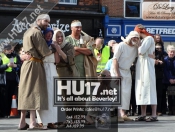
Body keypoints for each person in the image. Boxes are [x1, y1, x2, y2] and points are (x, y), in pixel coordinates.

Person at [18, 14, 55, 130]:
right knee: (35, 92)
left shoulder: (27, 32)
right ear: (38, 20)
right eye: (45, 21)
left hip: (27, 64)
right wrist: (54, 48)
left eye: (48, 22)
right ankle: (32, 122)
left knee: (26, 92)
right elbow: (45, 51)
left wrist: (22, 55)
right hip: (35, 64)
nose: (47, 24)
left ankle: (24, 121)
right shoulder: (37, 33)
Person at [110, 31, 140, 122]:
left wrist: (139, 46)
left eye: (137, 37)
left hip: (127, 71)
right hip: (117, 70)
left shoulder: (135, 48)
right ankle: (118, 115)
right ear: (130, 37)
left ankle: (123, 114)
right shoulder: (121, 45)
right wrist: (118, 74)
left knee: (126, 93)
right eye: (134, 37)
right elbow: (115, 60)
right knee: (118, 93)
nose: (135, 39)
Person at [53, 29, 80, 124]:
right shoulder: (52, 46)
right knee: (61, 97)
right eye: (57, 36)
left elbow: (68, 60)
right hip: (58, 72)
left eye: (61, 36)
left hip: (70, 72)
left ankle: (74, 118)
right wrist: (55, 49)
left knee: (71, 96)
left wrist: (59, 50)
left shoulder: (68, 46)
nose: (60, 38)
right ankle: (63, 118)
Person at [36, 27, 60, 129]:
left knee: (52, 95)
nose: (49, 35)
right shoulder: (40, 44)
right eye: (47, 33)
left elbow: (57, 61)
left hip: (52, 70)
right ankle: (41, 121)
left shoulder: (53, 45)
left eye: (51, 33)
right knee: (42, 95)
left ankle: (51, 121)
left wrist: (57, 49)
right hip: (42, 69)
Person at [134, 24, 158, 122]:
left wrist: (139, 46)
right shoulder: (144, 40)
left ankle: (154, 114)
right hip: (142, 64)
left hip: (147, 65)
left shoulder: (149, 39)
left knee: (150, 87)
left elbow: (141, 51)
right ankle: (143, 114)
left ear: (139, 32)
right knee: (141, 88)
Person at [0, 44, 21, 118]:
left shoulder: (15, 56)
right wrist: (7, 65)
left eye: (11, 50)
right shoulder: (1, 56)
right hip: (4, 81)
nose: (10, 51)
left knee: (11, 97)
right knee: (3, 98)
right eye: (8, 50)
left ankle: (9, 113)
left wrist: (16, 66)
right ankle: (3, 113)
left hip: (13, 79)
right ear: (5, 50)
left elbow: (20, 65)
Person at [163, 45, 175, 115]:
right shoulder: (165, 60)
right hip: (167, 80)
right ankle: (170, 109)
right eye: (171, 52)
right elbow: (165, 70)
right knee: (169, 95)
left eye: (173, 52)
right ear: (168, 52)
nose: (172, 53)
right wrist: (170, 78)